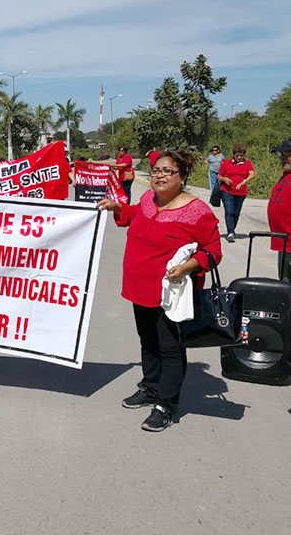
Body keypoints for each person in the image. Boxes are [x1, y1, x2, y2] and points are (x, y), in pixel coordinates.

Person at [97, 149, 222, 432]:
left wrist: (188, 266)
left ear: (183, 177)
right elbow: (136, 215)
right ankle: (150, 387)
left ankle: (166, 404)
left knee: (170, 348)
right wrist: (118, 208)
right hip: (140, 287)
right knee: (148, 341)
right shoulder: (148, 199)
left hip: (171, 295)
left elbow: (213, 250)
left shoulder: (197, 211)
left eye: (168, 171)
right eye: (156, 170)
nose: (160, 176)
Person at [267, 137, 291, 352]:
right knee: (287, 290)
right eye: (281, 154)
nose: (283, 158)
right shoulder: (289, 174)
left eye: (288, 153)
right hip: (285, 243)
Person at [217, 144, 255, 242]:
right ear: (233, 155)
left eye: (241, 155)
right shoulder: (226, 163)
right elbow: (219, 176)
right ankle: (230, 232)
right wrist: (224, 179)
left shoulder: (247, 163)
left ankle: (232, 228)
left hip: (241, 192)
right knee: (229, 211)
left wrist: (244, 182)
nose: (239, 157)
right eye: (237, 155)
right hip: (227, 191)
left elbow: (252, 174)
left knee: (236, 212)